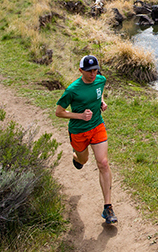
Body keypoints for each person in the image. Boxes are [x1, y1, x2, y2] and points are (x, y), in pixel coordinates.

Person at [55, 55, 117, 224]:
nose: (93, 74)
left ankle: (108, 207)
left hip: (97, 126)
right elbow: (59, 112)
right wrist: (80, 116)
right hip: (79, 131)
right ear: (81, 70)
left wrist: (101, 102)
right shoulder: (72, 90)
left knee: (103, 163)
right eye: (89, 71)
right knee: (84, 159)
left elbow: (100, 91)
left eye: (95, 70)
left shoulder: (100, 79)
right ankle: (77, 158)